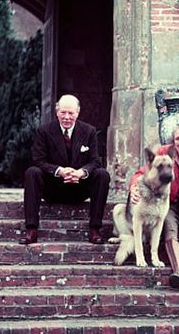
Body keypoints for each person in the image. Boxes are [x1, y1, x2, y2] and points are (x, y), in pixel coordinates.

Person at [129, 117, 179, 291]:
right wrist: (134, 187)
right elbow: (141, 173)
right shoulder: (164, 152)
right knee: (169, 229)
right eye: (177, 139)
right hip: (167, 205)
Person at [19, 94, 110, 245]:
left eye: (71, 113)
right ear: (57, 112)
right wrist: (59, 171)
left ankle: (95, 229)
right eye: (63, 112)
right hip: (53, 187)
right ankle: (31, 229)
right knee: (32, 172)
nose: (67, 117)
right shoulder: (45, 131)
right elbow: (38, 160)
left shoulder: (89, 131)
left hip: (79, 188)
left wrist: (81, 173)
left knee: (102, 175)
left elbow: (95, 161)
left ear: (78, 112)